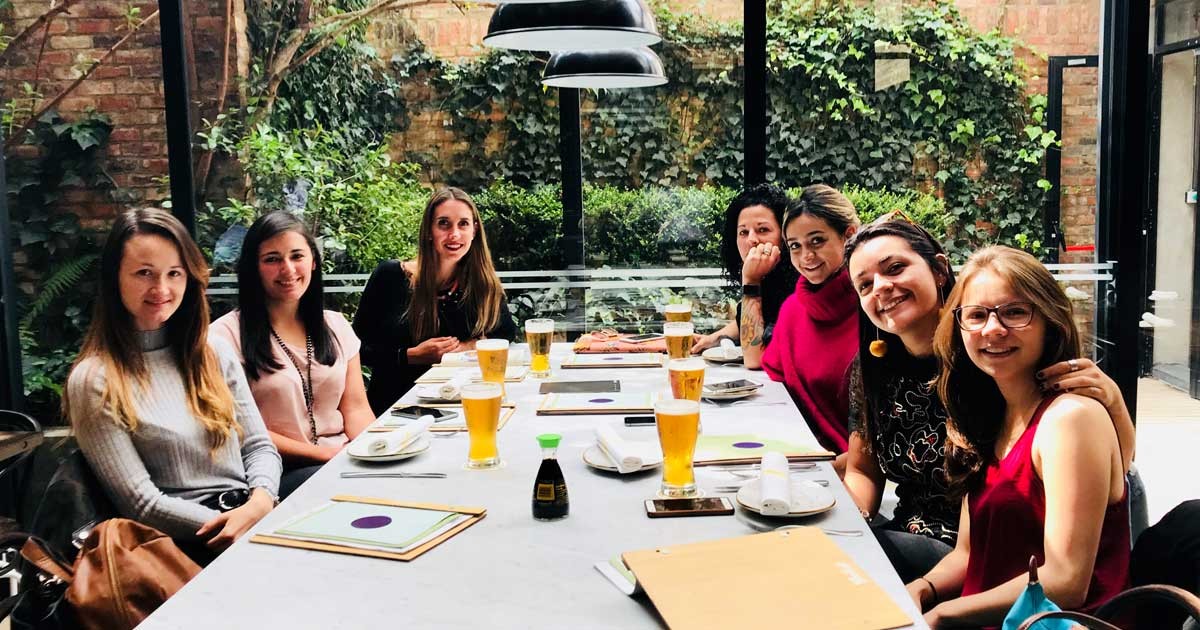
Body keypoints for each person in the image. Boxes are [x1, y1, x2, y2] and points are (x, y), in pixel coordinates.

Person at [842, 216, 1135, 584]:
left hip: (979, 551)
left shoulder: (988, 356)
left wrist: (1113, 403)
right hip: (926, 537)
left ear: (938, 270)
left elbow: (1113, 470)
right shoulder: (873, 367)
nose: (881, 288)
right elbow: (862, 468)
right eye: (864, 284)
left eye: (896, 268)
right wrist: (850, 522)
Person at [910, 246, 1129, 628]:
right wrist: (923, 589)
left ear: (1050, 321)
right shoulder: (988, 416)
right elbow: (967, 554)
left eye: (1015, 312)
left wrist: (942, 615)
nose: (993, 329)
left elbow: (1065, 582)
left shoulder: (1070, 419)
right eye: (976, 315)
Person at [64, 208, 281, 563]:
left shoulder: (213, 351)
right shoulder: (95, 379)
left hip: (249, 515)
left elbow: (259, 446)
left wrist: (260, 503)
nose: (161, 289)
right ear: (113, 278)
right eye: (144, 273)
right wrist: (237, 525)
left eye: (174, 273)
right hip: (185, 546)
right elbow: (142, 504)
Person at [211, 211, 374, 499]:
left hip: (343, 462)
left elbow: (356, 408)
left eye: (296, 256)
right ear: (253, 268)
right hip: (274, 474)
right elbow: (238, 430)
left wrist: (376, 451)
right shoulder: (224, 337)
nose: (287, 269)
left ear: (313, 261)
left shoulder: (335, 325)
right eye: (272, 259)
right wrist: (326, 456)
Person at [354, 187, 518, 415]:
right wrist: (411, 356)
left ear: (474, 231)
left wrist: (464, 348)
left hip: (460, 405)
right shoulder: (391, 276)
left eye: (463, 224)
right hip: (395, 410)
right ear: (429, 231)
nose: (454, 235)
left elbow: (506, 334)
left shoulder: (482, 284)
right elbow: (357, 349)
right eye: (444, 224)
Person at [761, 184, 859, 458]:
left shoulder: (876, 307)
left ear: (848, 236)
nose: (806, 257)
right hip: (798, 453)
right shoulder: (793, 309)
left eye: (817, 241)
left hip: (866, 473)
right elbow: (773, 381)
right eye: (795, 246)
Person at [692, 183, 799, 369]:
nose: (751, 240)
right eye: (743, 232)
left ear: (785, 237)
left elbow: (755, 360)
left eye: (763, 230)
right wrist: (714, 338)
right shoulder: (769, 279)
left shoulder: (800, 285)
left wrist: (750, 281)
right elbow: (759, 317)